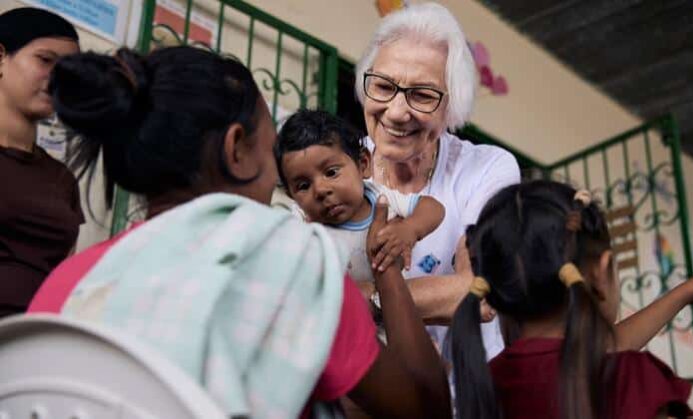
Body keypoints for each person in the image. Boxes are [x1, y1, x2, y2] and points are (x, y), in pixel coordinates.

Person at [27, 46, 451, 419]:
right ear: (237, 150)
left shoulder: (67, 284)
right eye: (270, 152)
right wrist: (388, 266)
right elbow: (426, 409)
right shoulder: (290, 263)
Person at [450, 180, 693, 419]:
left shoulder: (482, 385)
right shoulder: (631, 379)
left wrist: (688, 289)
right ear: (602, 270)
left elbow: (591, 351)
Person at [354, 1, 519, 356]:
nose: (397, 112)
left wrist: (362, 301)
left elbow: (479, 292)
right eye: (383, 87)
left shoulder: (486, 169)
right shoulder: (340, 169)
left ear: (451, 108)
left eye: (422, 95)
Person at [275, 109, 445, 285]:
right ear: (291, 195)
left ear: (363, 164)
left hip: (389, 304)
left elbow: (433, 208)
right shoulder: (301, 223)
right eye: (303, 186)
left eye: (331, 172)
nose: (320, 190)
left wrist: (410, 229)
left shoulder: (381, 199)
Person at [0, 7, 82, 317]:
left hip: (34, 344)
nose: (57, 78)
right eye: (46, 60)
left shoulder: (62, 179)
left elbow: (64, 275)